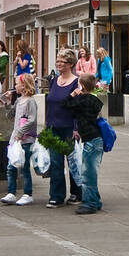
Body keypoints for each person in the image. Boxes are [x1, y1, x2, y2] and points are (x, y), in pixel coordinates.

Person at [44, 49, 84, 207]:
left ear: (71, 64)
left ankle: (76, 193)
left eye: (62, 62)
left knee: (73, 162)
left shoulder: (76, 82)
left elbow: (78, 107)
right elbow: (50, 104)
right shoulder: (54, 80)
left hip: (69, 128)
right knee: (55, 163)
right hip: (54, 127)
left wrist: (76, 128)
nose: (59, 64)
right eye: (58, 61)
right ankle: (56, 195)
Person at [66, 73, 105, 214]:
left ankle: (90, 203)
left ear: (81, 86)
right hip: (96, 138)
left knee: (88, 173)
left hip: (90, 140)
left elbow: (65, 105)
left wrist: (73, 94)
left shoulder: (82, 100)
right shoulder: (95, 99)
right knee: (91, 172)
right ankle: (95, 200)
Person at [1, 74, 38, 205]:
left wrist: (21, 132)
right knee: (11, 166)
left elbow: (32, 120)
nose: (15, 86)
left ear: (24, 86)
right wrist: (8, 102)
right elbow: (10, 115)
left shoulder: (30, 101)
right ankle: (11, 192)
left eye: (17, 83)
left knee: (24, 167)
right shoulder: (19, 100)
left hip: (26, 139)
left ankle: (28, 193)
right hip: (15, 139)